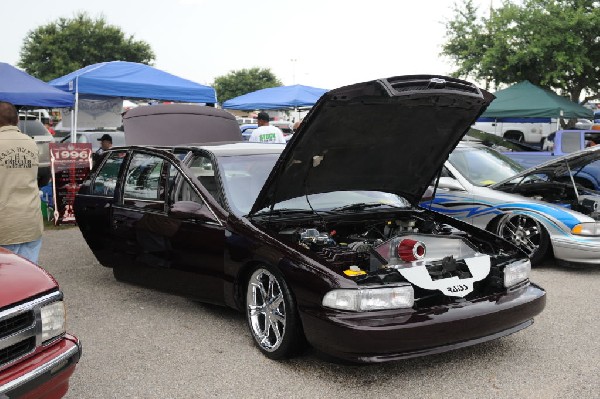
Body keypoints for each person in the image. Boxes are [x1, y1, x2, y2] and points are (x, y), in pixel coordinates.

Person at [0, 101, 44, 263]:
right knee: (28, 278)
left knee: (7, 284)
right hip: (30, 221)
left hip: (4, 225)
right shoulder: (31, 143)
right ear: (17, 120)